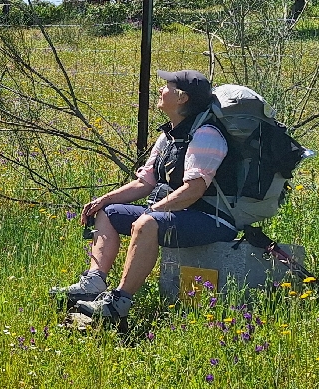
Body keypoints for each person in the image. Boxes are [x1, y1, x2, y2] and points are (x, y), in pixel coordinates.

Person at [53, 69, 237, 327]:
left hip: (212, 219)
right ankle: (93, 283)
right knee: (108, 212)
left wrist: (153, 212)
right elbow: (144, 183)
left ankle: (118, 303)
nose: (160, 90)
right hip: (177, 214)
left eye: (167, 86)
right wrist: (103, 200)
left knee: (145, 223)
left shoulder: (206, 135)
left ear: (182, 97)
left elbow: (193, 190)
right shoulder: (169, 135)